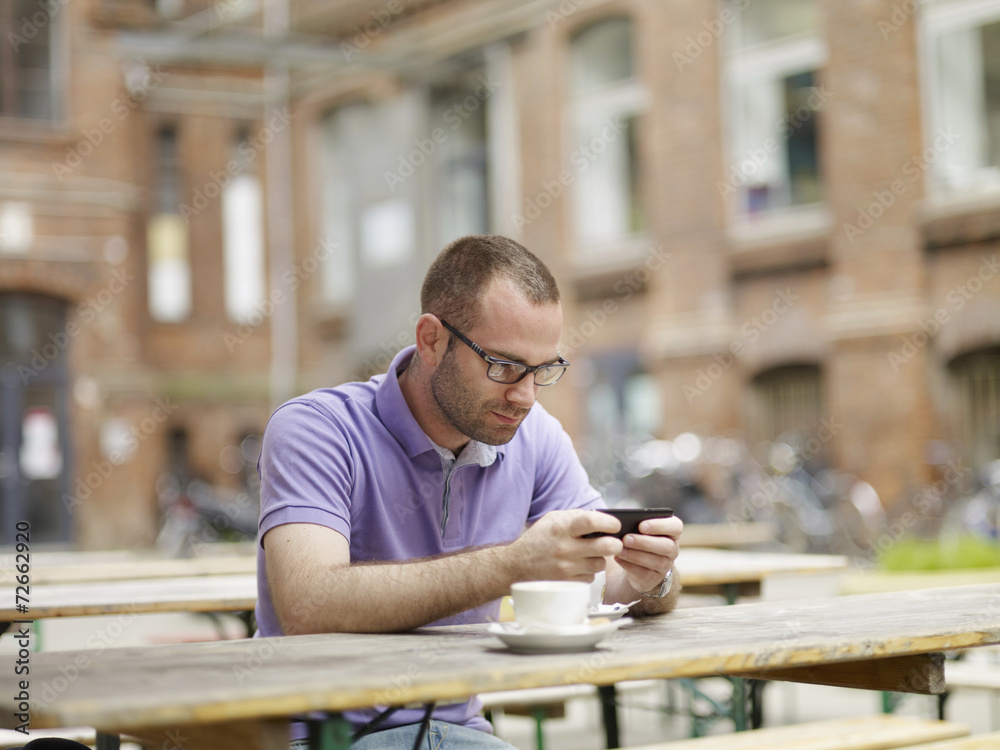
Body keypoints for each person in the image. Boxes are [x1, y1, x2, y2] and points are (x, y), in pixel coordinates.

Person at [255, 234, 683, 749]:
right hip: (320, 735)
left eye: (543, 370)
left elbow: (610, 578)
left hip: (456, 730)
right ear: (432, 340)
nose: (525, 396)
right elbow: (308, 605)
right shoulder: (316, 429)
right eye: (503, 366)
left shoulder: (534, 436)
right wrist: (513, 564)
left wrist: (650, 578)